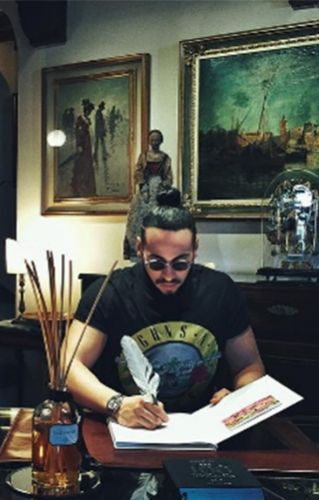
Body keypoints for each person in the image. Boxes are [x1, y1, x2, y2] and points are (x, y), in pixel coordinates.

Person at [68, 188, 266, 429]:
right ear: (139, 248)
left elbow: (249, 366)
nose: (169, 275)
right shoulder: (109, 292)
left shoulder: (221, 290)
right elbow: (68, 367)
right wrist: (116, 405)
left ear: (195, 250)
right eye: (156, 263)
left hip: (202, 429)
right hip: (125, 430)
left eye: (181, 263)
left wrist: (239, 397)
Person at [123, 129, 174, 260]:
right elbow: (138, 171)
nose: (154, 142)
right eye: (152, 140)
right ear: (149, 141)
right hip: (144, 189)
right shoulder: (144, 156)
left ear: (161, 141)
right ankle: (137, 249)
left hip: (160, 190)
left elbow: (168, 175)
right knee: (138, 219)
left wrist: (164, 186)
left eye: (157, 140)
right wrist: (143, 186)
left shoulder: (166, 158)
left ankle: (159, 250)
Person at [68, 98, 96, 197]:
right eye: (89, 111)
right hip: (83, 147)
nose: (89, 113)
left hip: (87, 146)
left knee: (88, 165)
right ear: (86, 110)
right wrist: (79, 145)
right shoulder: (80, 120)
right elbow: (79, 134)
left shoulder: (87, 120)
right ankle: (80, 187)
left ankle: (88, 187)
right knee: (82, 166)